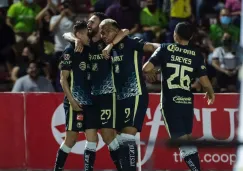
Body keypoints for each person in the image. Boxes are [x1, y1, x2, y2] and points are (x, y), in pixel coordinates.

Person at [143, 22, 215, 171]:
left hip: (171, 103)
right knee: (187, 140)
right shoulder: (196, 54)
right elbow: (205, 81)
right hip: (187, 103)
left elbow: (146, 68)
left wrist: (153, 72)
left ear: (175, 35)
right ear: (191, 37)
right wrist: (210, 92)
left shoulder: (165, 48)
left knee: (183, 144)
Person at [63, 12, 129, 171]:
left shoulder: (107, 41)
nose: (89, 24)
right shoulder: (83, 42)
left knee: (108, 136)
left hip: (106, 95)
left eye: (92, 22)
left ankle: (124, 167)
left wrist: (110, 45)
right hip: (89, 97)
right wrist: (75, 38)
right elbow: (67, 33)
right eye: (89, 21)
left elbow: (125, 31)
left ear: (101, 27)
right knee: (90, 135)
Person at [99, 18, 159, 171]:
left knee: (127, 136)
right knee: (119, 140)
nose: (102, 35)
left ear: (115, 30)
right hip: (118, 98)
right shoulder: (107, 49)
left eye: (106, 31)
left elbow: (157, 47)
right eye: (101, 32)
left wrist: (152, 65)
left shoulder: (131, 42)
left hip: (134, 93)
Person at [54, 21, 98, 171]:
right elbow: (63, 79)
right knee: (71, 140)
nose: (89, 37)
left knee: (93, 138)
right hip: (76, 102)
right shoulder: (69, 51)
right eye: (86, 34)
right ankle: (57, 169)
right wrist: (72, 101)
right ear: (78, 34)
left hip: (91, 101)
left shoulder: (89, 49)